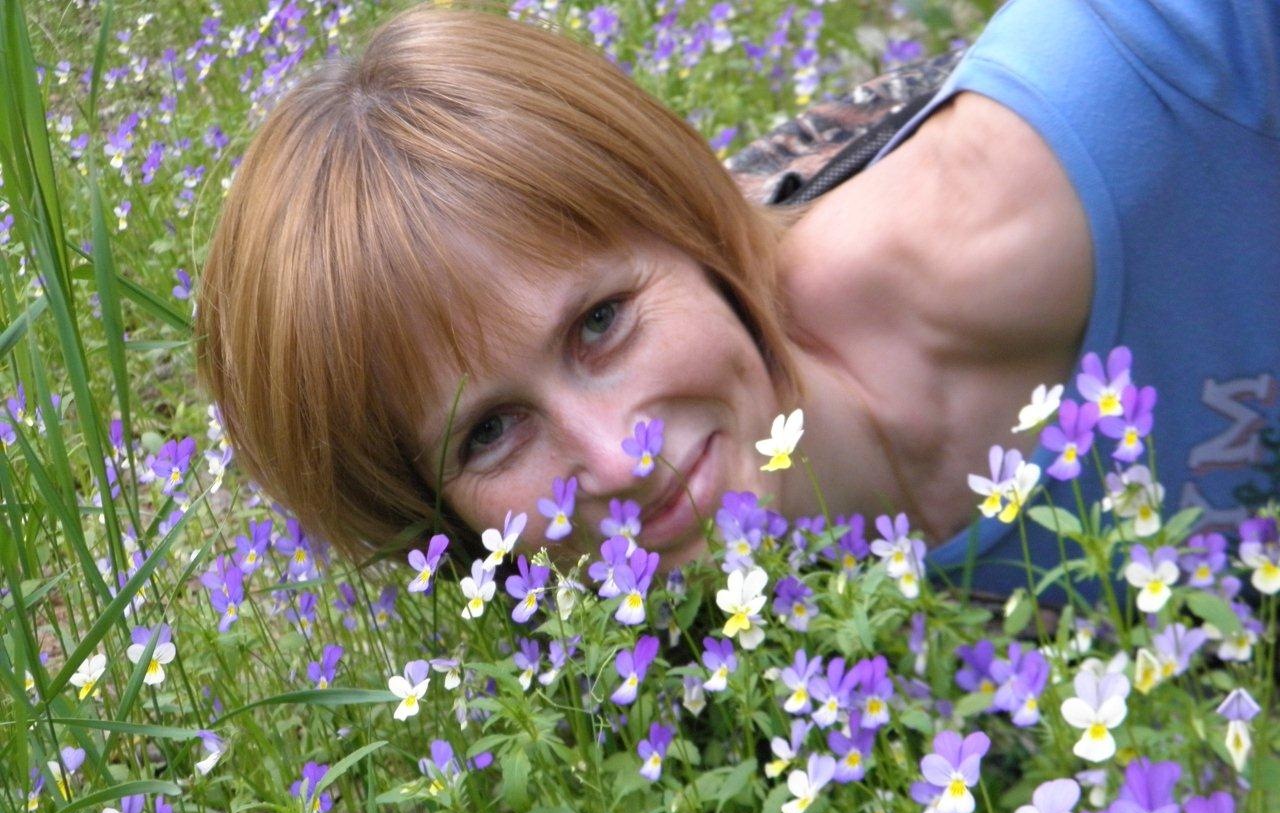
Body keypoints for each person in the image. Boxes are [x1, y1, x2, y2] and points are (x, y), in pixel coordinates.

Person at [196, 0, 1280, 598]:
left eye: (600, 324)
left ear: (692, 221)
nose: (617, 460)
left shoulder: (1082, 141)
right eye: (488, 433)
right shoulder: (643, 681)